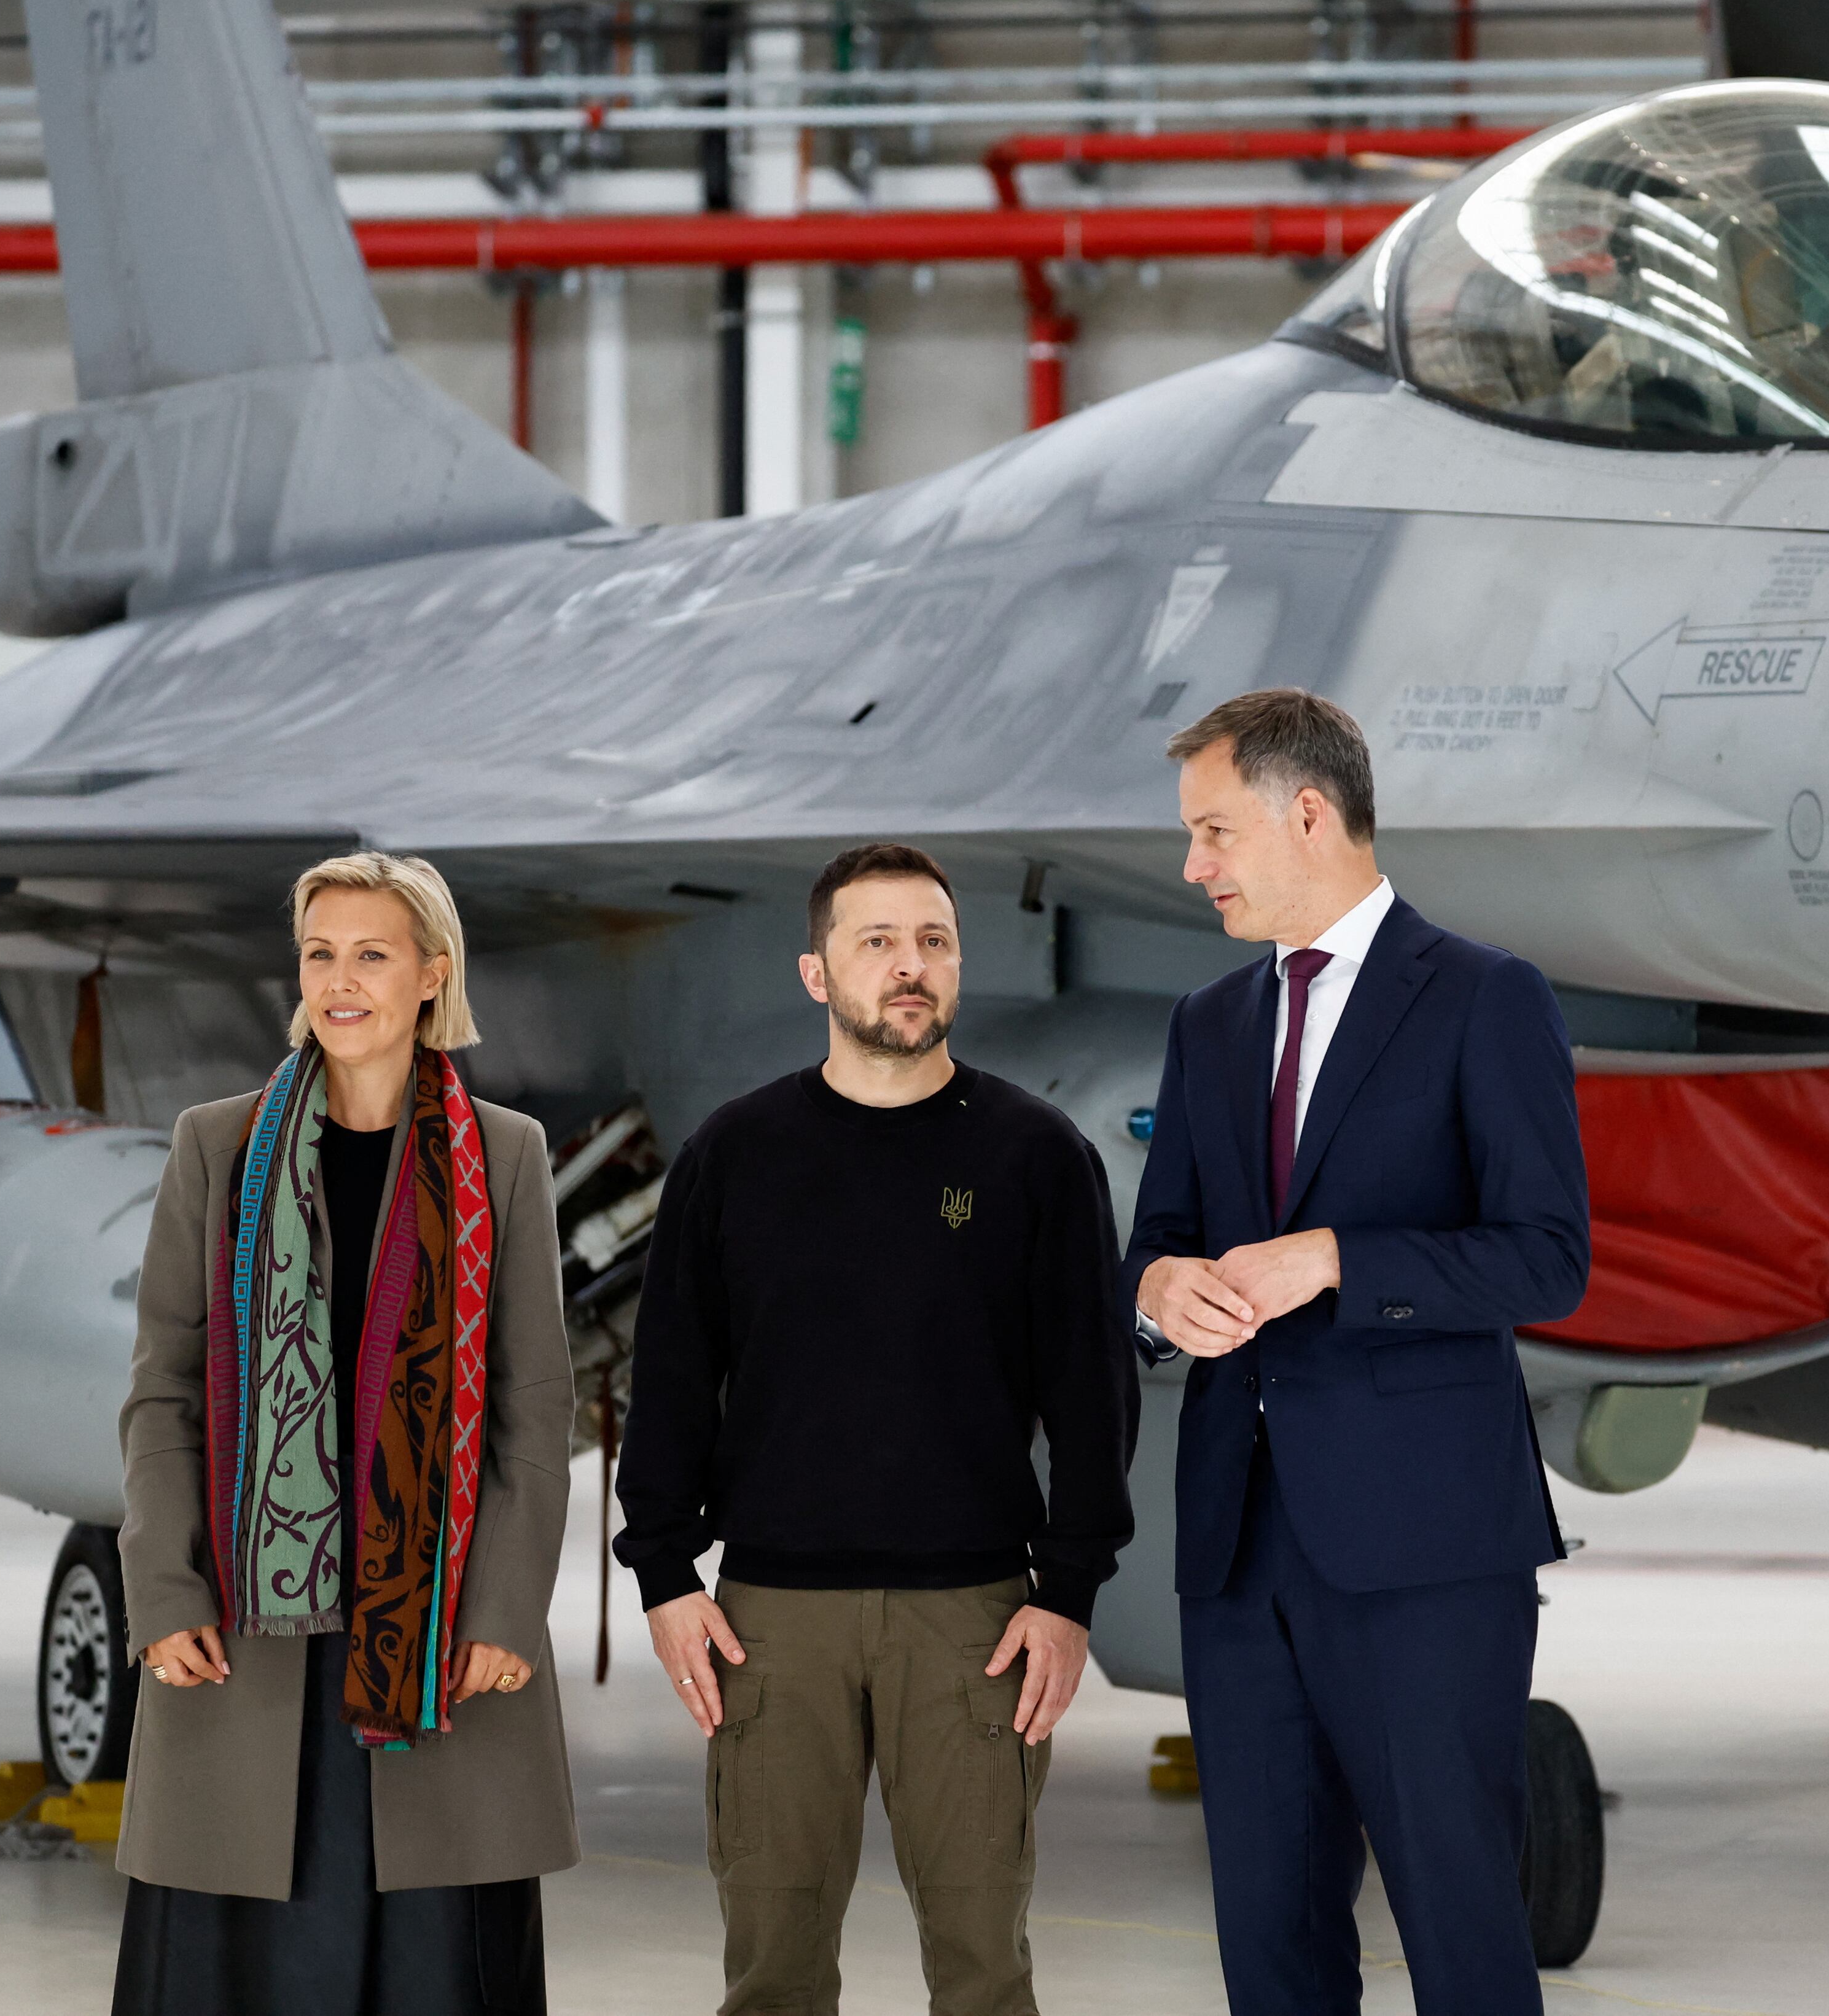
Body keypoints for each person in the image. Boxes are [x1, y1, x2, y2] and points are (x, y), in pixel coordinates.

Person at [1127, 689, 1590, 2016]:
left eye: (1213, 830)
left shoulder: (1485, 998)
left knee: (1458, 1920)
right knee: (1267, 1936)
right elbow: (1155, 1241)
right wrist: (1157, 1284)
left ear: (1308, 813)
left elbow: (1545, 1256)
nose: (1194, 862)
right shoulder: (1210, 1022)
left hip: (1426, 1552)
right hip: (1236, 1546)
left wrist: (1338, 1257)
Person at [614, 841, 1137, 2016]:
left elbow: (1093, 1394)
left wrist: (1069, 1592)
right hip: (769, 1626)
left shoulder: (1036, 1157)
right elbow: (675, 1377)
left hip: (976, 1624)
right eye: (880, 942)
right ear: (817, 972)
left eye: (935, 942)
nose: (912, 967)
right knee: (772, 1970)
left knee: (985, 1966)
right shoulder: (734, 1156)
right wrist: (661, 1573)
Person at [112, 852, 577, 2016]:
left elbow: (534, 1403)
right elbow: (163, 1389)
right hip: (245, 1632)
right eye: (321, 953)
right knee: (236, 1966)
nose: (341, 980)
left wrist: (508, 1610)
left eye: (372, 952)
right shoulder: (215, 1147)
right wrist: (163, 1590)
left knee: (437, 1965)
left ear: (432, 974)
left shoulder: (507, 1155)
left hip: (436, 1637)